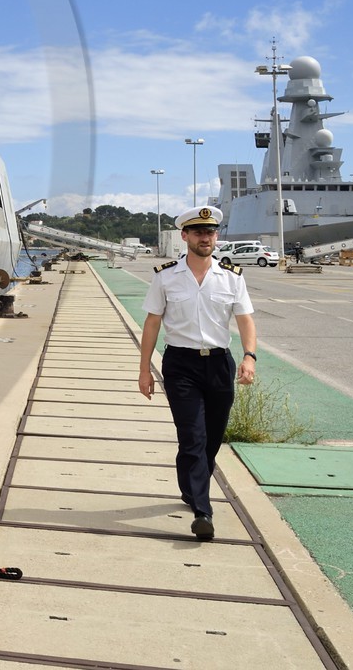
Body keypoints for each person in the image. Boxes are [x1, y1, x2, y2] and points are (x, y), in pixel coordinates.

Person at [137, 205, 256, 540]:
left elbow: (245, 319)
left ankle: (190, 486)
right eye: (199, 232)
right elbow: (152, 322)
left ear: (216, 237)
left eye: (211, 232)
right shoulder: (165, 276)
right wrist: (144, 369)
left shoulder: (232, 277)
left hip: (219, 364)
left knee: (211, 440)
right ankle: (203, 511)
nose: (206, 237)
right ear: (185, 236)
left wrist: (250, 357)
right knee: (193, 436)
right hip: (180, 365)